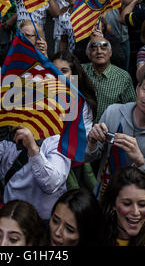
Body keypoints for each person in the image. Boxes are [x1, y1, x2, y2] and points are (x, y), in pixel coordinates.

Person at [86, 69, 145, 199]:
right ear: (137, 88)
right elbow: (88, 157)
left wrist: (139, 160)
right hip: (102, 197)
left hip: (135, 210)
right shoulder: (113, 112)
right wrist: (92, 142)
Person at [0, 125, 71, 221]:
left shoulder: (57, 140)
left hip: (39, 220)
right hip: (10, 212)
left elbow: (51, 185)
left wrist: (32, 148)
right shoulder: (10, 128)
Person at [51, 51, 97, 191]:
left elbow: (86, 141)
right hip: (48, 163)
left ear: (73, 74)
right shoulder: (40, 96)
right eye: (54, 71)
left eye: (64, 71)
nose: (58, 76)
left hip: (73, 163)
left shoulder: (82, 101)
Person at [82, 35, 136, 122]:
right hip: (82, 128)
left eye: (103, 48)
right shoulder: (78, 71)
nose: (99, 51)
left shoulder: (123, 77)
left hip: (110, 130)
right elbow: (70, 103)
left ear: (110, 52)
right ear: (88, 53)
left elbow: (131, 109)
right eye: (94, 48)